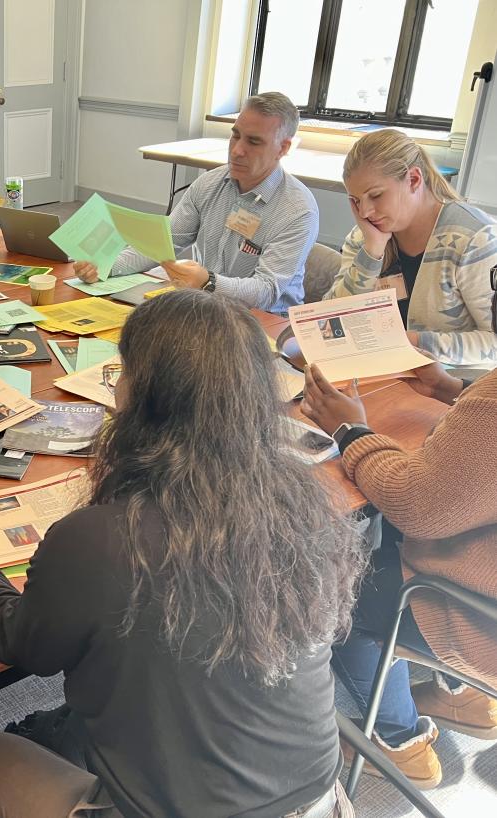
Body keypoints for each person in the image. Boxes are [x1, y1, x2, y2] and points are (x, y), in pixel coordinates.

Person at [0, 290, 364, 817]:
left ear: (144, 399)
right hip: (323, 804)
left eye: (123, 373)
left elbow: (18, 641)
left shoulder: (101, 538)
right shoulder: (302, 505)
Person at [301, 274, 497, 789]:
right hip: (485, 580)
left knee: (331, 585)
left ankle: (399, 739)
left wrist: (351, 433)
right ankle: (465, 698)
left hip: (480, 620)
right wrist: (456, 391)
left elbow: (418, 506)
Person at [73, 92, 318, 314]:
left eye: (253, 142)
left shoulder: (297, 211)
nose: (237, 151)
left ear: (283, 148)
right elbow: (163, 243)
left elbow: (266, 292)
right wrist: (105, 266)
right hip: (206, 308)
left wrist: (208, 281)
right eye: (235, 136)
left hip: (264, 321)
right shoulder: (210, 183)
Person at [324, 128, 497, 367]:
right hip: (384, 373)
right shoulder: (366, 235)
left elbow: (494, 342)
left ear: (414, 180)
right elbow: (331, 319)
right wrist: (372, 252)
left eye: (375, 195)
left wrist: (414, 342)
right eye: (355, 201)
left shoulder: (476, 239)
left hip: (455, 388)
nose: (364, 212)